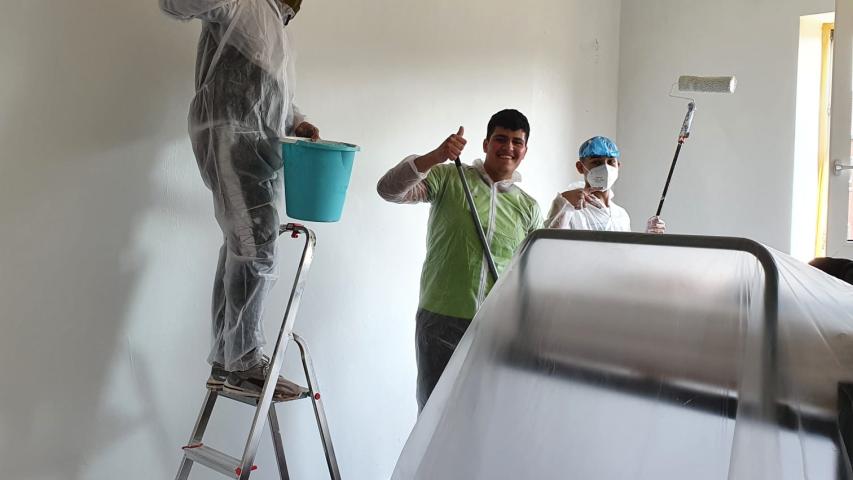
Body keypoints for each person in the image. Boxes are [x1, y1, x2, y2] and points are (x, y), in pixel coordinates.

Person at [160, 0, 319, 400]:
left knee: (242, 246)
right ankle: (244, 364)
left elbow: (269, 93)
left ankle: (225, 358)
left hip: (258, 147)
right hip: (232, 138)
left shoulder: (276, 29)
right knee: (255, 246)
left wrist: (297, 120)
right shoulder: (247, 5)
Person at [377, 109, 542, 412]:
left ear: (525, 150)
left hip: (497, 325)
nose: (508, 147)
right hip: (441, 319)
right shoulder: (448, 178)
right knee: (434, 414)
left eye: (517, 142)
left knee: (485, 415)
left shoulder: (528, 207)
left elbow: (532, 272)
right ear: (486, 143)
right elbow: (388, 190)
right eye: (500, 139)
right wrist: (435, 157)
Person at [546, 136, 666, 234]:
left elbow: (624, 253)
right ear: (580, 167)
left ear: (618, 166)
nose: (605, 168)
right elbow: (550, 246)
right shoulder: (567, 204)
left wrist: (647, 238)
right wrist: (565, 205)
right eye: (596, 162)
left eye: (611, 161)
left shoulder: (621, 214)